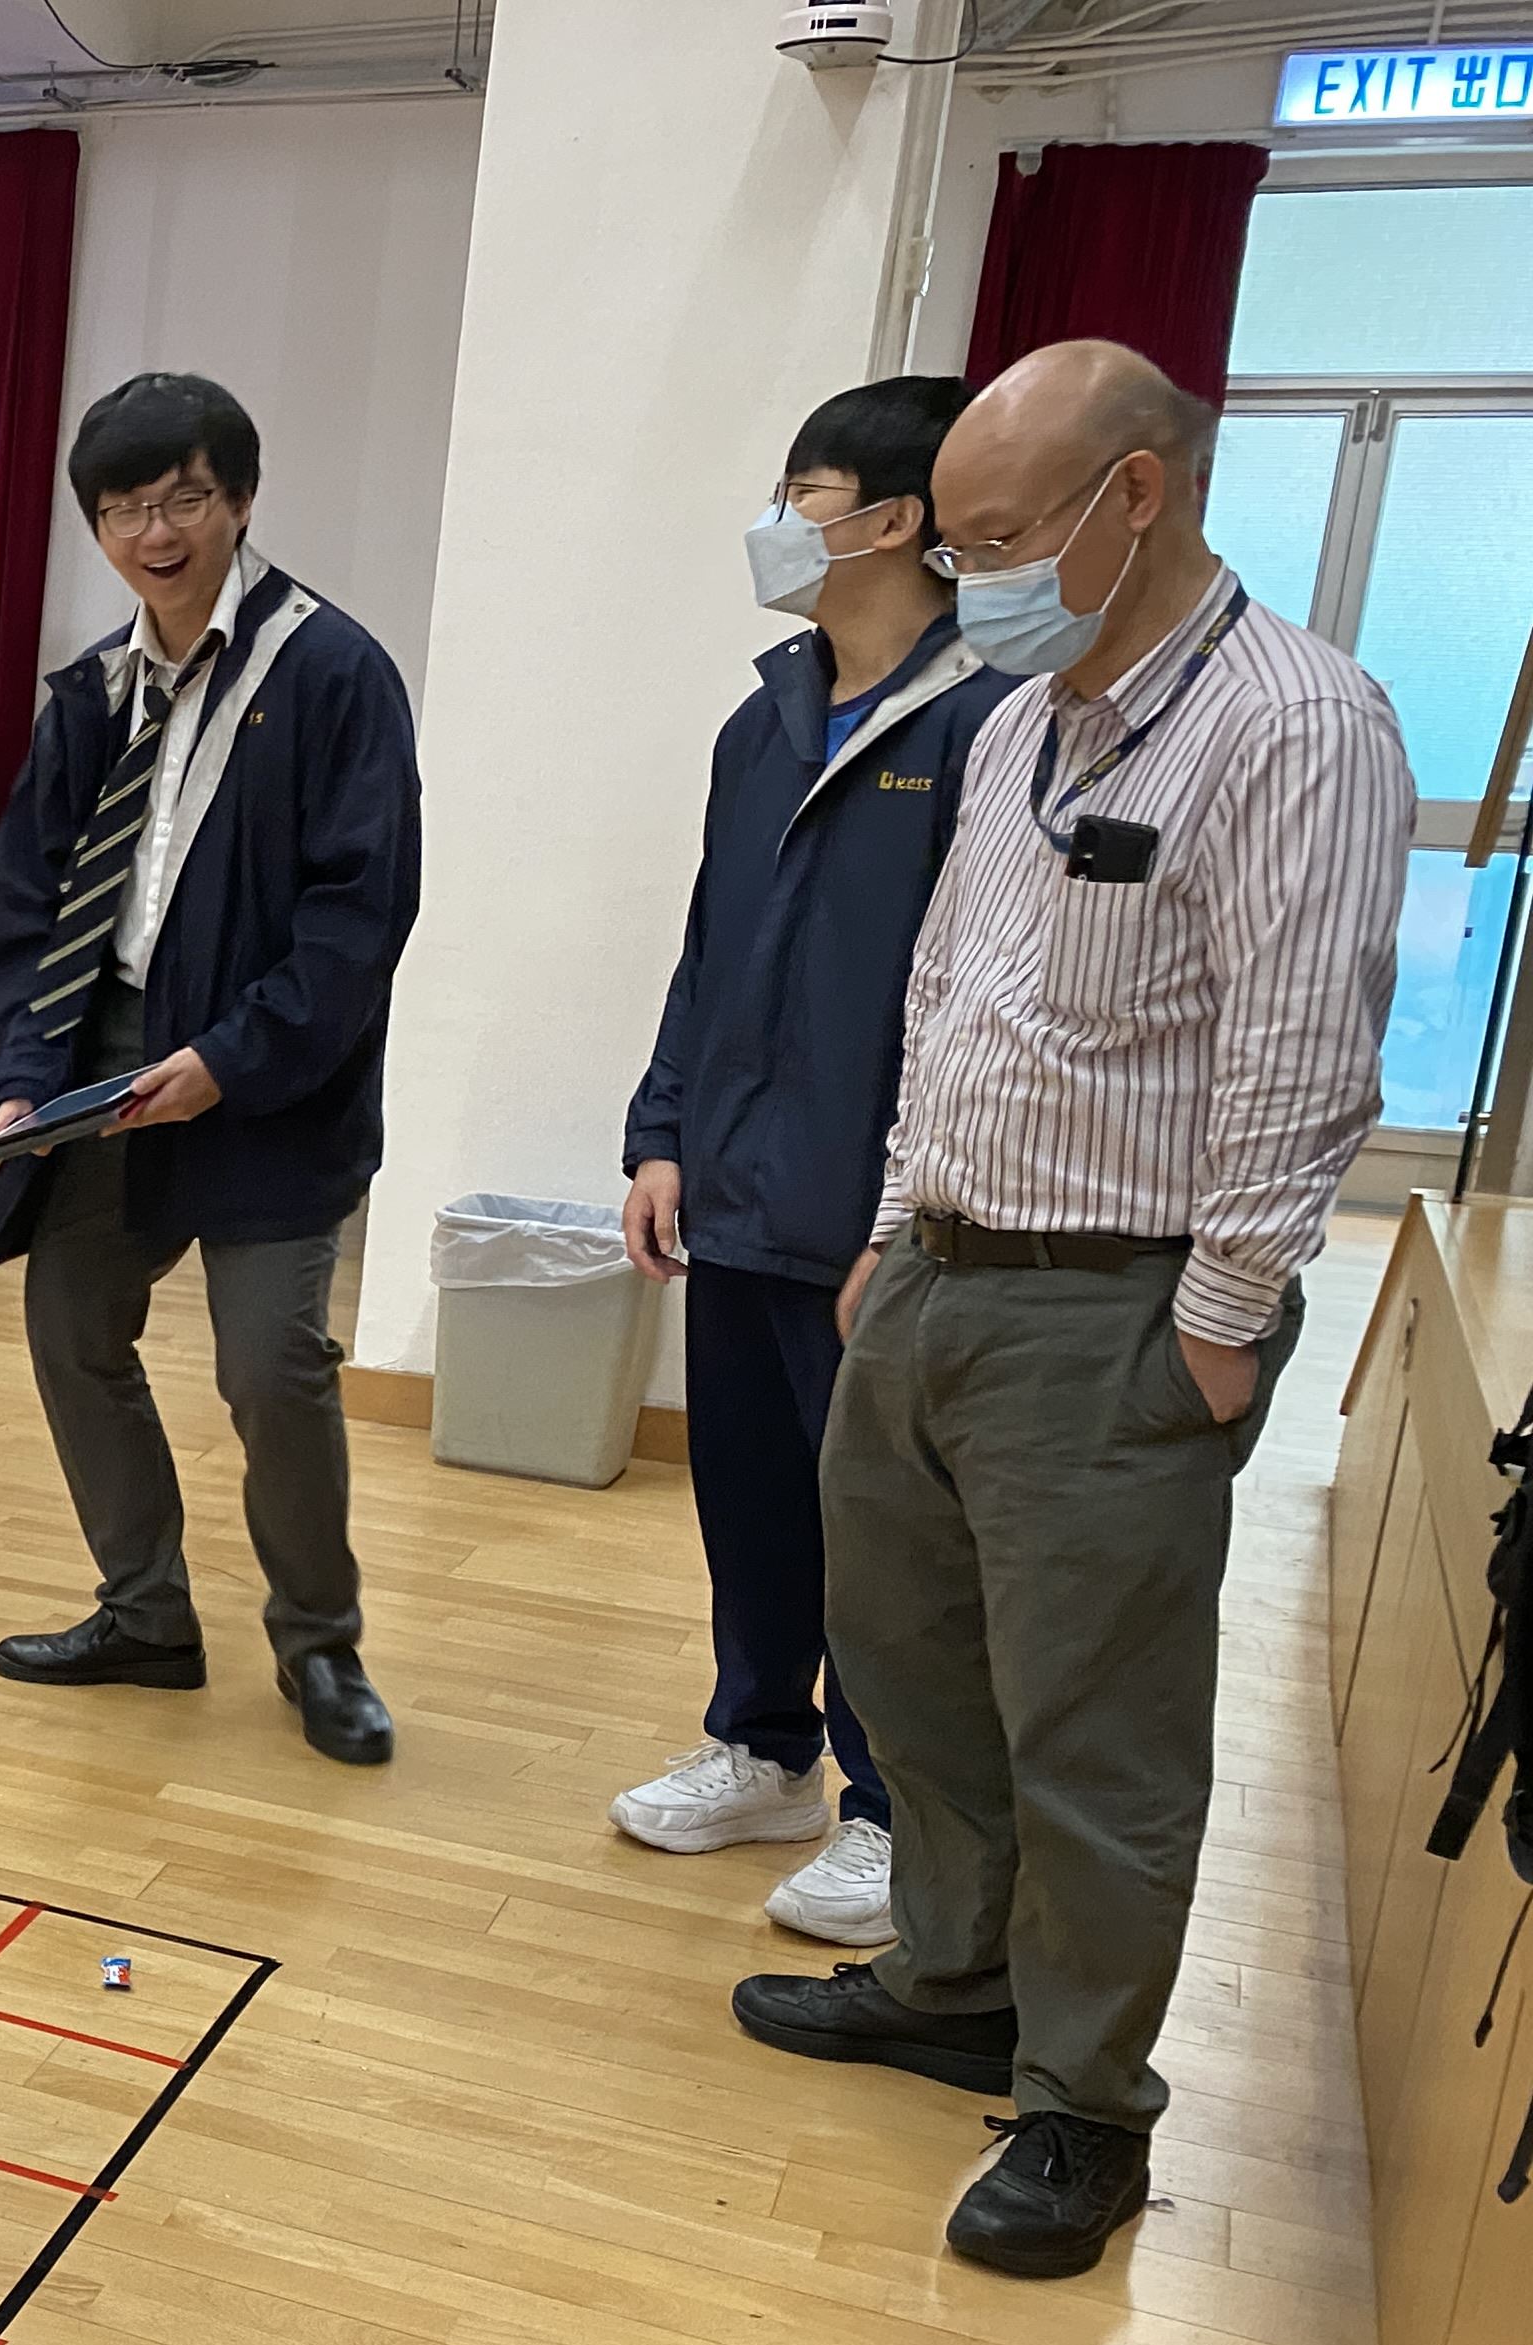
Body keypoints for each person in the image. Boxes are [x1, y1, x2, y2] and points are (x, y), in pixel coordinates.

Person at [732, 340, 1414, 2277]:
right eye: (952, 546)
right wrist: (892, 1222)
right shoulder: (1019, 717)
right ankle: (956, 1976)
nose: (974, 578)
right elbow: (949, 991)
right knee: (913, 1673)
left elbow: (1301, 1054)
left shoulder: (1298, 725)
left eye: (1000, 536)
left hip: (1117, 1306)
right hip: (939, 1272)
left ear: (1136, 493)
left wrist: (1221, 1314)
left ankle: (1087, 2105)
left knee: (1095, 1735)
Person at [612, 379, 1016, 1947]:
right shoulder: (764, 720)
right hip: (737, 1192)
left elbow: (985, 999)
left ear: (897, 519)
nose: (776, 524)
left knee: (888, 1535)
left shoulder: (990, 723)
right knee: (755, 1495)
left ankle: (894, 1813)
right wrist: (661, 1135)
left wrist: (915, 1206)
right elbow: (710, 953)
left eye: (804, 494)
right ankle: (764, 1747)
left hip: (877, 1213)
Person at [0, 371, 424, 1767]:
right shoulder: (92, 691)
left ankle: (322, 1646)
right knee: (70, 1328)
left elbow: (360, 919)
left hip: (265, 1077)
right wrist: (26, 1069)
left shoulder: (331, 673)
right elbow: (33, 900)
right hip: (107, 1065)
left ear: (239, 499)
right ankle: (146, 1613)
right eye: (124, 509)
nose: (155, 533)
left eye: (183, 499)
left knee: (272, 1365)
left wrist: (230, 1061)